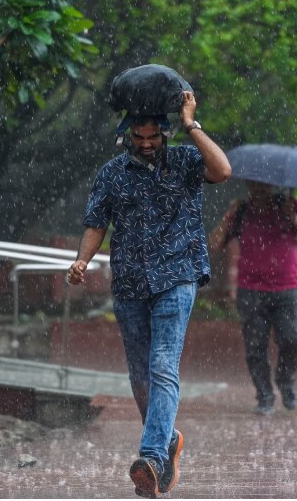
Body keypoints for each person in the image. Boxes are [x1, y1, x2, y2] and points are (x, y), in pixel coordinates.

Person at [67, 90, 231, 499]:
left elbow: (223, 170)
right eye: (138, 138)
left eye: (153, 137)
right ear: (126, 135)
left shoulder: (187, 161)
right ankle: (168, 440)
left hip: (177, 277)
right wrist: (82, 261)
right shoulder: (111, 174)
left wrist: (192, 123)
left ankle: (153, 456)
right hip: (130, 283)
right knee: (140, 376)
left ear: (164, 132)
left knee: (162, 366)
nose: (146, 144)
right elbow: (95, 222)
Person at [210, 181, 297, 416]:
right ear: (247, 185)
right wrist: (228, 216)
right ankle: (264, 395)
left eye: (264, 185)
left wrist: (293, 218)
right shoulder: (241, 212)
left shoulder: (288, 204)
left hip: (287, 289)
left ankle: (285, 380)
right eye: (254, 185)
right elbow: (214, 244)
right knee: (255, 347)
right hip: (251, 290)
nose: (260, 189)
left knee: (292, 339)